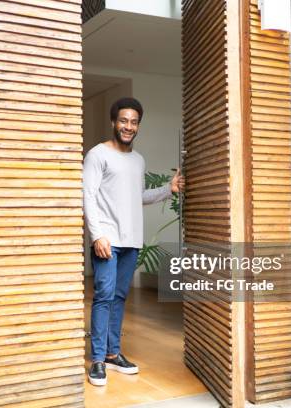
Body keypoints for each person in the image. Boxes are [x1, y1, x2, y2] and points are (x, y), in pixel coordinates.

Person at [82, 97, 185, 386]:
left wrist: (169, 188)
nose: (128, 126)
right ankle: (98, 360)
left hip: (131, 241)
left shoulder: (138, 160)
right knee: (103, 296)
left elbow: (137, 197)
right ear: (114, 122)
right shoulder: (97, 155)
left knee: (119, 297)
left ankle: (114, 354)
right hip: (107, 239)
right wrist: (97, 235)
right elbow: (87, 196)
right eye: (124, 120)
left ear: (138, 125)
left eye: (134, 122)